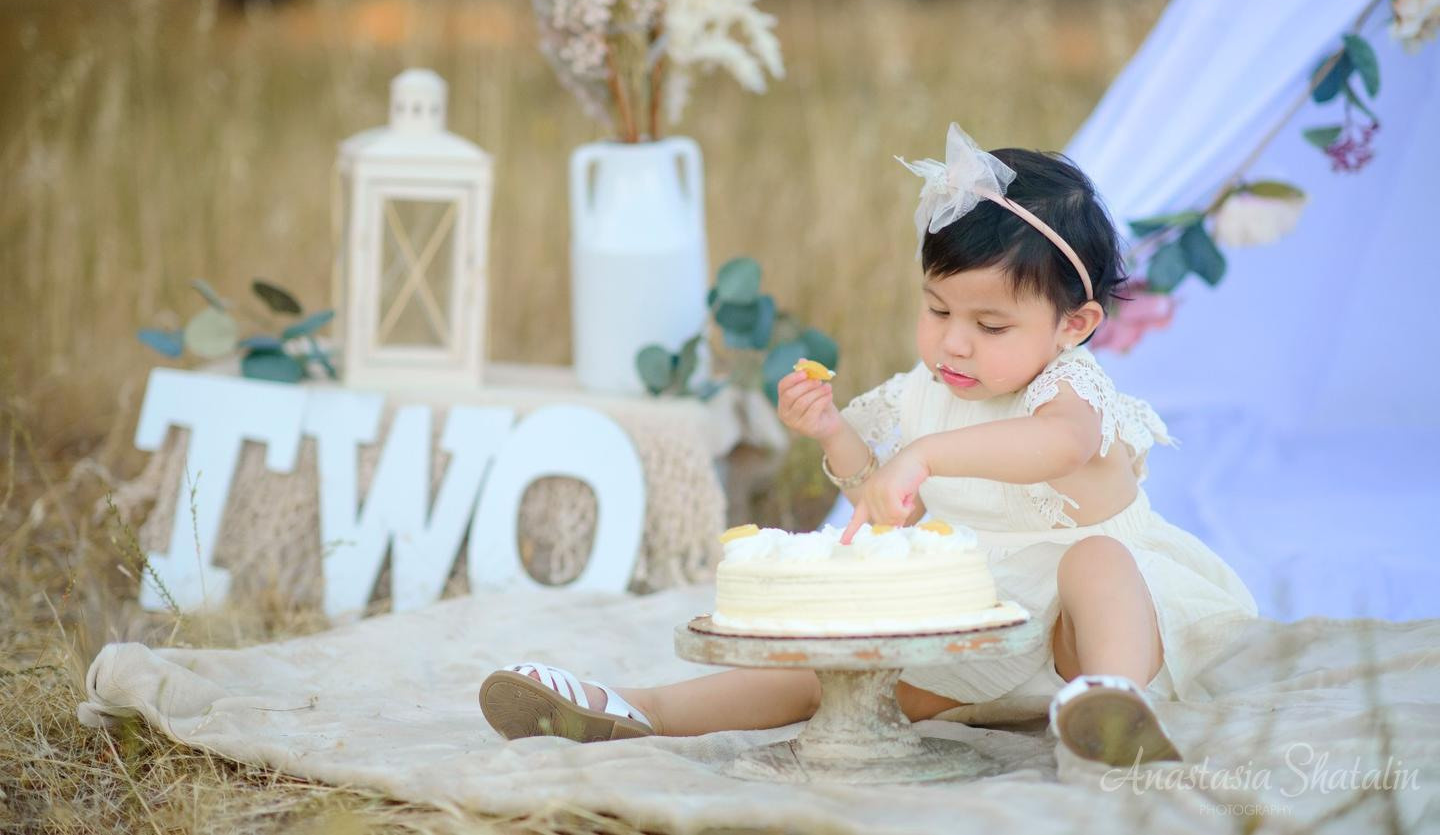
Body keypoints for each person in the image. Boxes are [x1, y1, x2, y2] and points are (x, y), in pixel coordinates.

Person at [478, 123, 1259, 769]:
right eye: (936, 308)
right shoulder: (922, 394)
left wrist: (927, 457)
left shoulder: (1069, 390)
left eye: (989, 326)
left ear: (1074, 324)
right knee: (846, 681)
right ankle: (638, 709)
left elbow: (1052, 446)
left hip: (1091, 624)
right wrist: (834, 432)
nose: (953, 342)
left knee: (1093, 563)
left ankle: (1114, 711)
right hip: (981, 626)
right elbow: (884, 497)